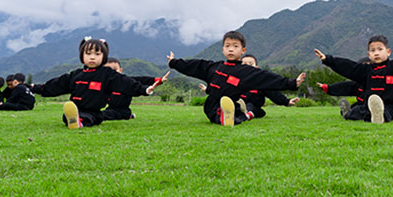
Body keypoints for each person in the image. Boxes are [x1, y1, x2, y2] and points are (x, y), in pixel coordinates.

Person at [168, 30, 306, 127]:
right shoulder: (214, 67)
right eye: (227, 46)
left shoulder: (246, 72)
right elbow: (194, 66)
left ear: (243, 51)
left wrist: (291, 83)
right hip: (212, 103)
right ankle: (226, 118)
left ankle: (229, 117)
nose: (231, 49)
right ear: (222, 49)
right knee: (212, 112)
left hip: (232, 103)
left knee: (237, 113)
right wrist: (174, 63)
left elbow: (267, 79)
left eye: (235, 46)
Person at [31, 37, 164, 129]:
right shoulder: (76, 74)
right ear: (82, 56)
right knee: (66, 117)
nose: (92, 57)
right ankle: (74, 119)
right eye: (88, 53)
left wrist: (145, 90)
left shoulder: (107, 74)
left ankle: (80, 123)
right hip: (76, 108)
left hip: (94, 111)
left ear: (103, 56)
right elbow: (57, 85)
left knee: (91, 118)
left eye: (97, 54)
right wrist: (36, 88)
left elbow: (126, 83)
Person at [234, 54, 299, 120]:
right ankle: (234, 114)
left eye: (250, 64)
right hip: (237, 106)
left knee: (256, 110)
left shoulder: (261, 82)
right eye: (244, 64)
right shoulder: (234, 80)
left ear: (256, 67)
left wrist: (287, 101)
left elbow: (274, 94)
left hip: (253, 107)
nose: (247, 66)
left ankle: (245, 115)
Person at [101, 57, 168, 121]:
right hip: (110, 109)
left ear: (120, 70)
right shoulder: (105, 84)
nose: (112, 73)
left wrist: (159, 80)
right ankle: (130, 116)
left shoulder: (127, 82)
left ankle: (128, 116)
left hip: (123, 111)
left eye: (115, 70)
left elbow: (142, 80)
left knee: (104, 115)